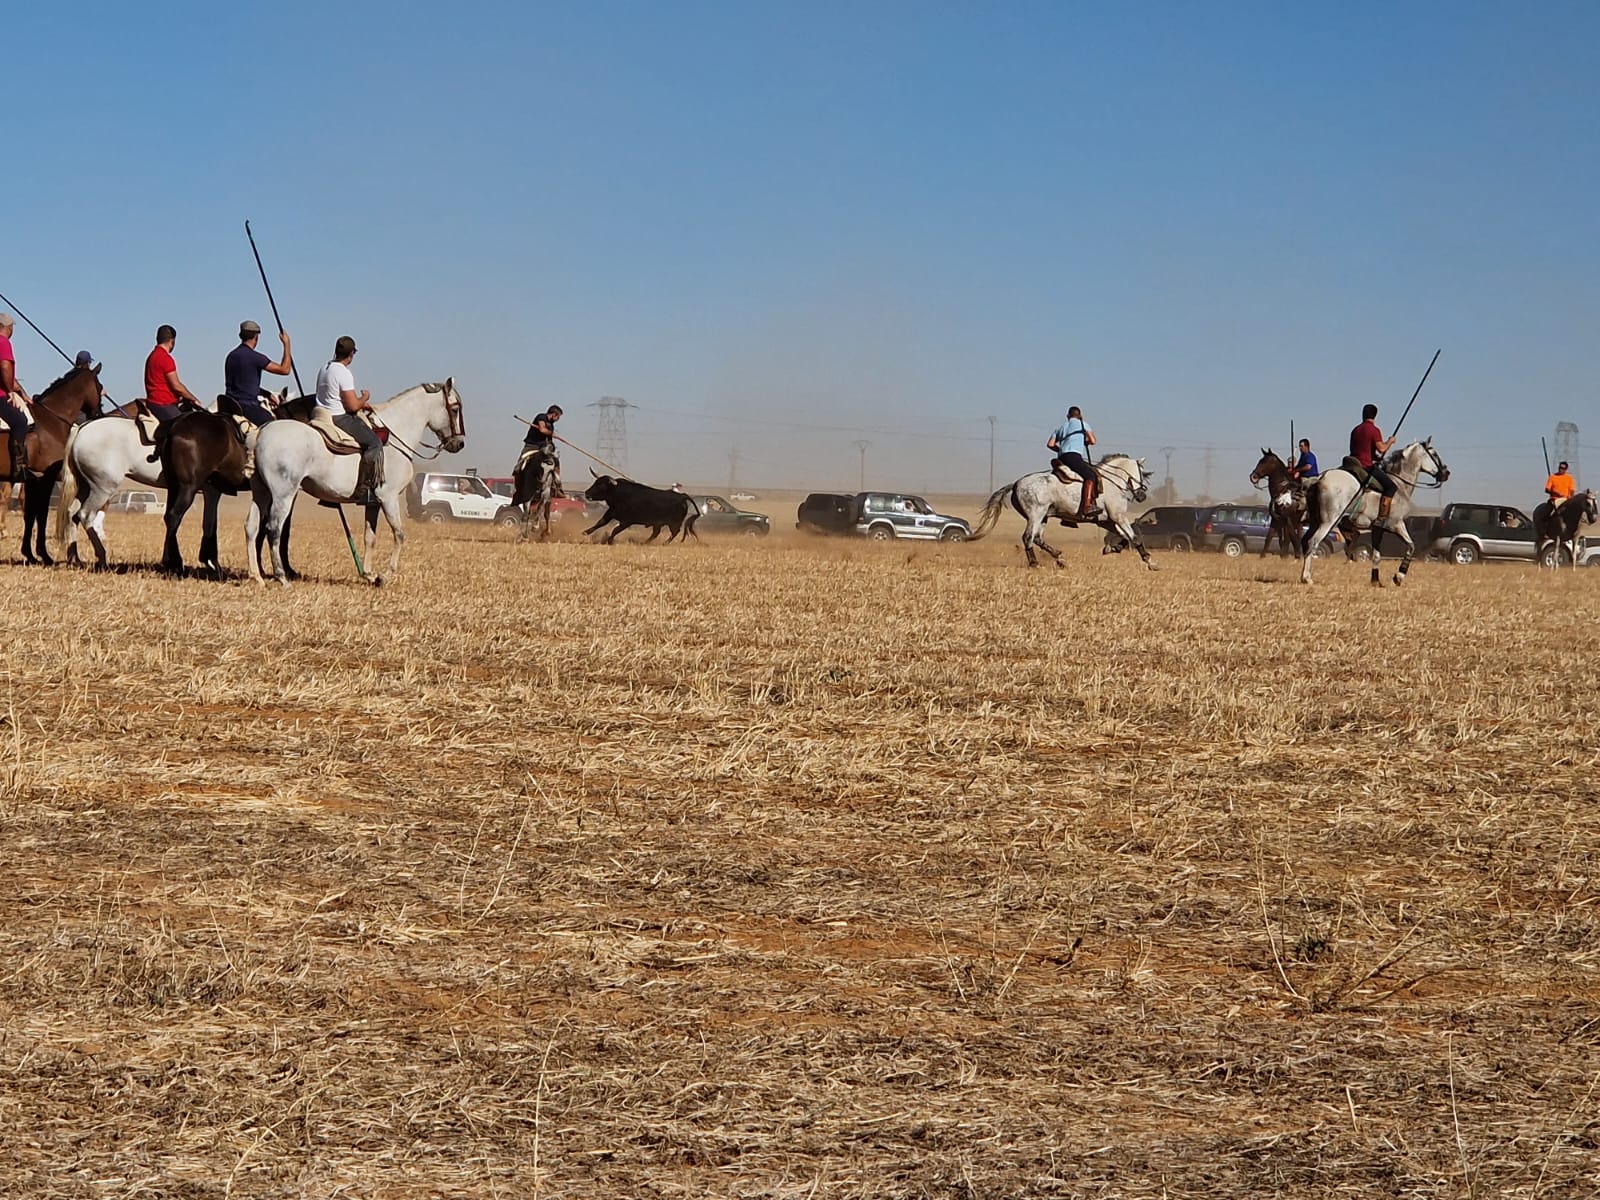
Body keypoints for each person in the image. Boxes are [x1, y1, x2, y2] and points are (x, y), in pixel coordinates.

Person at [315, 335, 383, 504]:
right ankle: (364, 490)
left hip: (319, 413)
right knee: (375, 443)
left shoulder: (324, 368)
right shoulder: (343, 372)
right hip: (339, 417)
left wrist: (361, 404)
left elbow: (337, 397)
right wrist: (364, 398)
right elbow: (352, 406)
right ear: (351, 354)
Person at [223, 320, 293, 426]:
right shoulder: (256, 358)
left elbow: (241, 386)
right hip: (247, 407)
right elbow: (285, 370)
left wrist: (266, 394)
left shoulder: (231, 356)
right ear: (256, 337)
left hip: (229, 405)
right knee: (273, 426)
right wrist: (287, 344)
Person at [143, 325, 206, 423]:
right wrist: (193, 399)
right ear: (172, 341)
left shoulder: (151, 357)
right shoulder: (165, 358)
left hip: (153, 402)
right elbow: (176, 386)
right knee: (185, 427)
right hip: (163, 403)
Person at [1047, 405, 1098, 518]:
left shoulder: (1060, 428)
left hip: (1061, 458)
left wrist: (1060, 449)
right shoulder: (1083, 424)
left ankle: (1068, 517)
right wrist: (1085, 442)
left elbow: (1050, 444)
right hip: (1074, 457)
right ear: (1079, 415)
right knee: (1091, 476)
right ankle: (1087, 506)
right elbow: (1093, 440)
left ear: (1068, 416)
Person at [1349, 403, 1397, 526]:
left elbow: (1359, 450)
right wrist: (1390, 441)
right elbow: (1381, 448)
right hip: (1365, 466)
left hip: (1353, 463)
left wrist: (1375, 457)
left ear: (1363, 414)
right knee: (1391, 487)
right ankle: (1381, 519)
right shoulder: (1374, 430)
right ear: (1375, 415)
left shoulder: (1355, 430)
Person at [0, 314, 32, 478]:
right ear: (8, 327)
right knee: (20, 422)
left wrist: (23, 394)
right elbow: (5, 368)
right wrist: (10, 392)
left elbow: (11, 379)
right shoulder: (3, 342)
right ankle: (18, 469)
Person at [520, 405, 564, 494]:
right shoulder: (541, 417)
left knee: (555, 461)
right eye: (558, 417)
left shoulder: (551, 424)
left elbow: (548, 437)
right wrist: (552, 433)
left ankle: (557, 485)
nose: (558, 419)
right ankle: (519, 480)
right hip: (532, 445)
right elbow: (542, 430)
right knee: (521, 460)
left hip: (544, 447)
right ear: (554, 414)